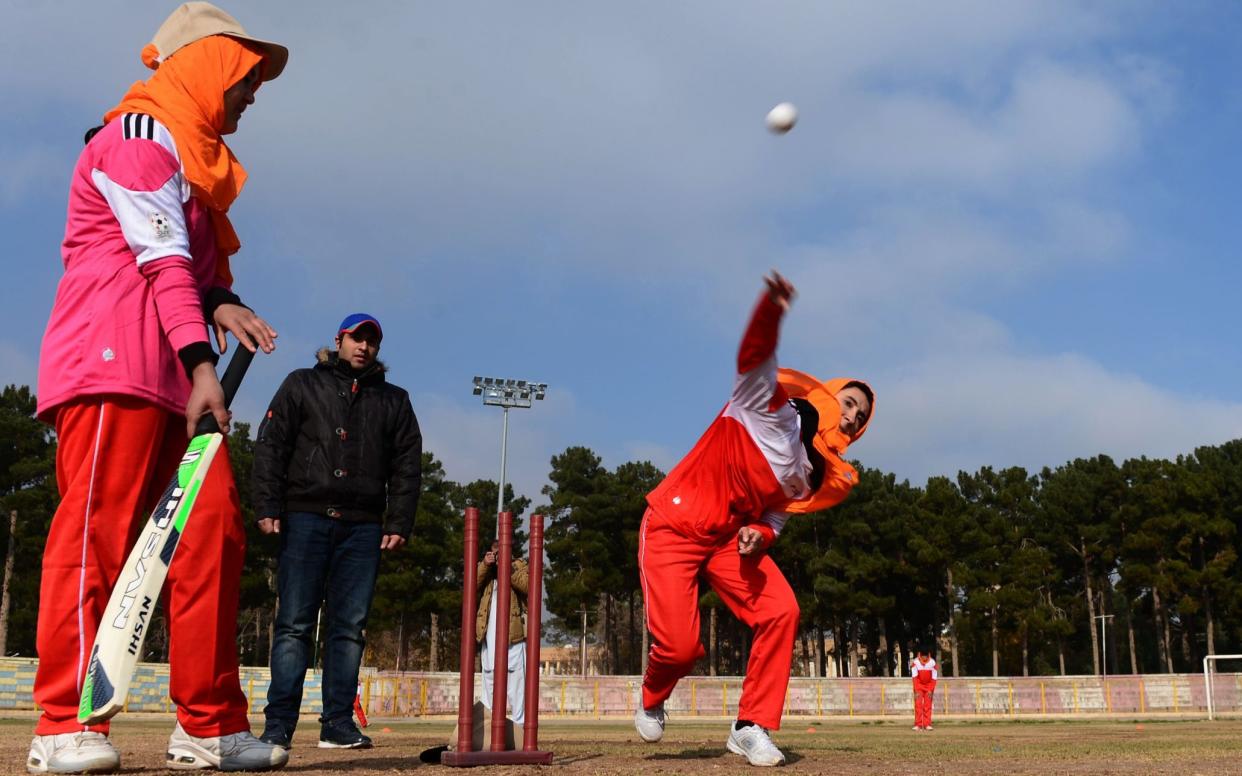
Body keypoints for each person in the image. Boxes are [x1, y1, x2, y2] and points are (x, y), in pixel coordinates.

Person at [29, 3, 288, 772]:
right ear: (205, 64)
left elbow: (194, 272)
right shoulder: (139, 139)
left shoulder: (193, 161)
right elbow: (160, 261)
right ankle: (61, 727)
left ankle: (207, 728)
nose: (252, 93)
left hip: (174, 370)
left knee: (214, 534)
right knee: (96, 538)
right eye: (244, 75)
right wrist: (205, 363)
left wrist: (222, 303)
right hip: (114, 366)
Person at [634, 271, 874, 767]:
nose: (852, 417)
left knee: (781, 611)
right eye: (849, 403)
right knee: (681, 650)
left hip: (727, 543)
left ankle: (750, 726)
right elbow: (755, 354)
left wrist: (759, 533)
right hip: (673, 527)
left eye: (861, 417)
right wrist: (772, 308)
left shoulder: (813, 476)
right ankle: (654, 694)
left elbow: (776, 518)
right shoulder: (763, 405)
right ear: (828, 395)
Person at [252, 314, 422, 750]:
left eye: (372, 341)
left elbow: (407, 465)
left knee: (349, 628)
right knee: (293, 625)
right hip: (305, 517)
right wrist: (267, 504)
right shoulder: (301, 383)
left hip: (363, 527)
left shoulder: (394, 400)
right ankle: (279, 725)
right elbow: (272, 443)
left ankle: (338, 724)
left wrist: (399, 520)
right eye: (356, 337)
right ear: (339, 339)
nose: (363, 346)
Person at [477, 539, 530, 731]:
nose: (498, 556)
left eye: (502, 552)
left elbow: (528, 586)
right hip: (488, 636)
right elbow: (470, 584)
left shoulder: (519, 565)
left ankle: (520, 726)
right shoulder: (488, 572)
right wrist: (485, 565)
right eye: (495, 553)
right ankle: (488, 728)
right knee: (489, 680)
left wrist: (506, 567)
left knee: (516, 685)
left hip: (513, 636)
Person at [911, 648, 939, 731]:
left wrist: (931, 689)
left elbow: (934, 678)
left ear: (928, 655)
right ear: (920, 654)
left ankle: (927, 724)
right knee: (918, 705)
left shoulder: (932, 662)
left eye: (926, 656)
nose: (924, 658)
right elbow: (915, 678)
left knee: (927, 706)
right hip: (918, 686)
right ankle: (918, 725)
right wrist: (916, 690)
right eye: (923, 656)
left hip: (929, 687)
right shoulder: (915, 662)